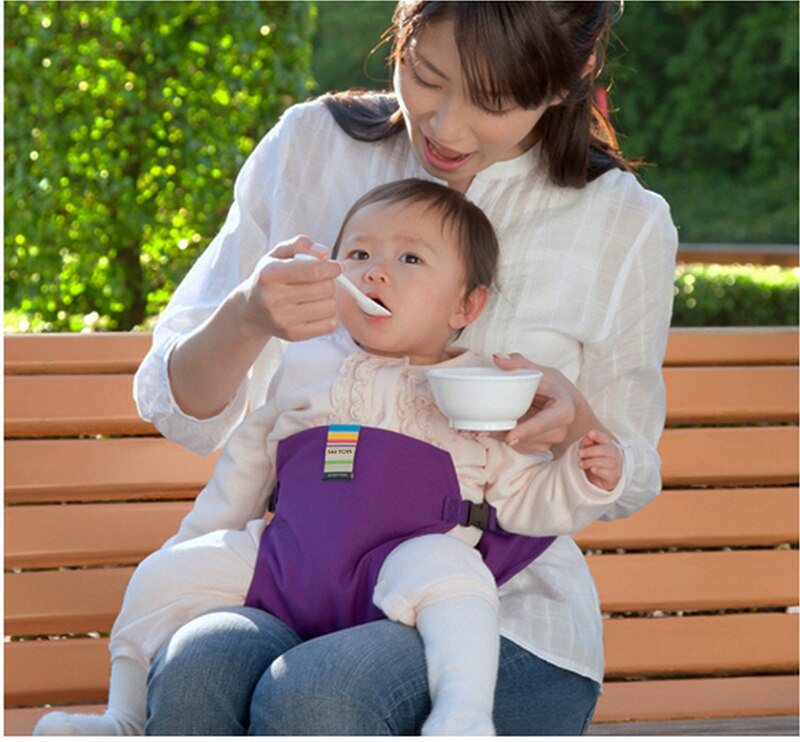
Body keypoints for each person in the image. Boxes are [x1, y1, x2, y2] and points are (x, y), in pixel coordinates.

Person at [106, 1, 674, 735]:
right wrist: (248, 316)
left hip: (505, 610)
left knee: (316, 693)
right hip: (297, 577)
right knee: (195, 665)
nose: (445, 126)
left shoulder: (621, 222)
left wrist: (577, 425)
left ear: (571, 80)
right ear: (400, 37)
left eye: (493, 102)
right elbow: (179, 409)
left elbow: (630, 471)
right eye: (426, 76)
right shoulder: (311, 147)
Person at [33, 180, 624, 737]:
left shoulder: (486, 387)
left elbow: (526, 501)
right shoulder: (306, 368)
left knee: (455, 571)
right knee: (162, 576)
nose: (377, 272)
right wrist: (197, 544)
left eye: (410, 260)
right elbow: (246, 465)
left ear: (466, 306)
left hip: (399, 571)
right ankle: (125, 718)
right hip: (289, 564)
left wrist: (581, 475)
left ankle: (463, 715)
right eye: (360, 255)